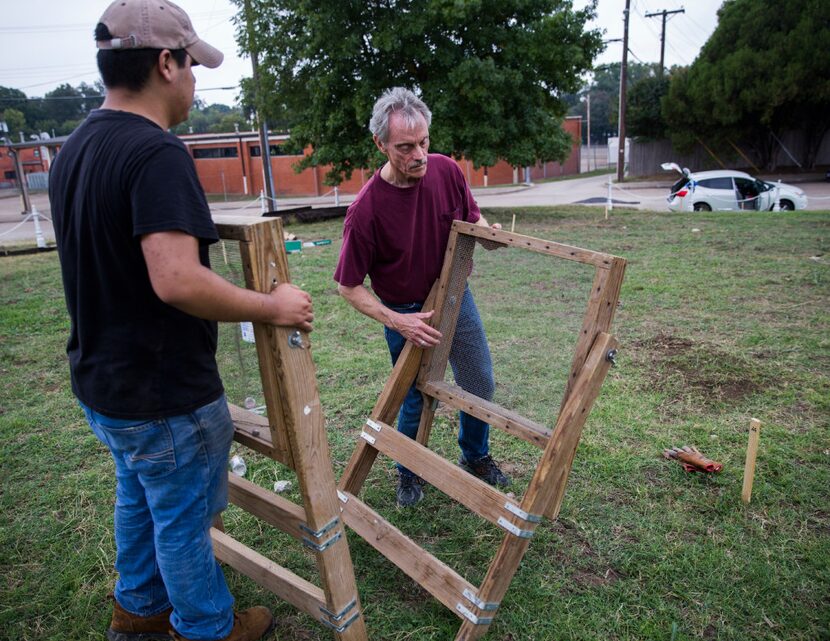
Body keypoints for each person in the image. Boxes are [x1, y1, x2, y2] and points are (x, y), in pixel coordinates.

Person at [49, 2, 313, 640]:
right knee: (184, 523)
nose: (196, 79)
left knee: (141, 500)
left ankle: (136, 614)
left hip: (106, 385)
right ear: (165, 64)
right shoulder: (155, 152)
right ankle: (208, 627)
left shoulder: (77, 145)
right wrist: (272, 307)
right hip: (163, 393)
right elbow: (176, 279)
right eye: (192, 64)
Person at [334, 87, 510, 508]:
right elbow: (348, 287)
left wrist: (489, 235)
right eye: (406, 147)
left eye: (424, 142)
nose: (419, 155)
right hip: (405, 311)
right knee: (414, 395)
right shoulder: (366, 210)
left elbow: (472, 218)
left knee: (478, 381)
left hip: (453, 297)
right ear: (380, 144)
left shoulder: (447, 171)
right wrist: (398, 321)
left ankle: (475, 454)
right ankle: (408, 472)